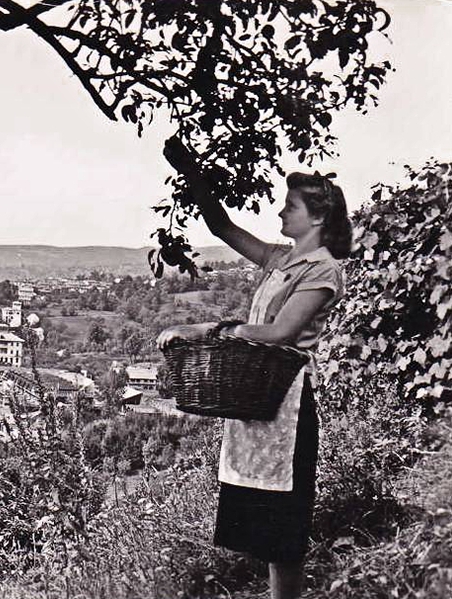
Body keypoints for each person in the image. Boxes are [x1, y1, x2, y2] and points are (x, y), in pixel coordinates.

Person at [156, 141, 352, 599]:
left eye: (290, 207)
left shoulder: (322, 270)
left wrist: (211, 328)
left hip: (287, 402)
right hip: (260, 396)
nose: (281, 214)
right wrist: (191, 173)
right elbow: (222, 225)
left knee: (284, 530)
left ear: (317, 218)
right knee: (267, 527)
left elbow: (283, 333)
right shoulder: (281, 260)